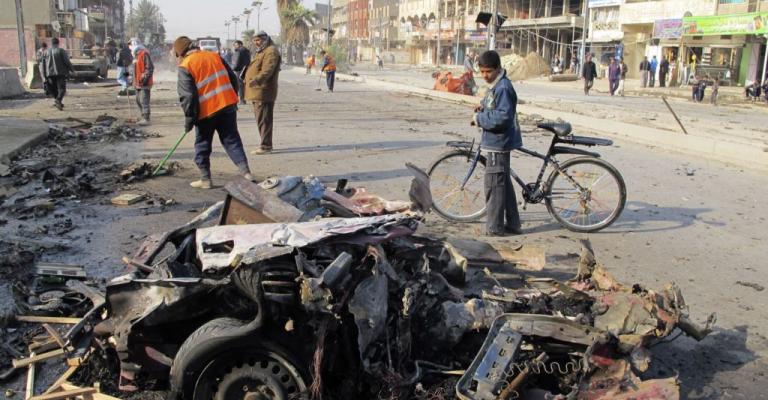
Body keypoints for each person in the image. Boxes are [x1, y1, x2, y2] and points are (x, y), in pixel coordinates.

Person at [174, 36, 253, 189]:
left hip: (207, 111)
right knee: (231, 139)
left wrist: (189, 119)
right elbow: (233, 79)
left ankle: (205, 179)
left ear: (181, 53)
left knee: (202, 143)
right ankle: (246, 172)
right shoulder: (214, 56)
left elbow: (188, 96)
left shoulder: (186, 65)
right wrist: (231, 97)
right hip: (228, 106)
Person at [469, 50, 522, 237]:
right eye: (482, 72)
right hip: (496, 142)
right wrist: (482, 106)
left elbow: (502, 117)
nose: (484, 76)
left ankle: (495, 227)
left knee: (494, 186)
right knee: (503, 185)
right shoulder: (496, 85)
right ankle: (514, 224)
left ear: (498, 68)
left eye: (488, 72)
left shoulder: (504, 87)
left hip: (498, 143)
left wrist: (480, 118)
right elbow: (492, 103)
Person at [245, 31, 281, 154]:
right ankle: (265, 144)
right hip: (257, 91)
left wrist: (257, 79)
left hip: (263, 91)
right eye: (254, 40)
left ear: (265, 39)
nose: (256, 43)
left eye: (258, 40)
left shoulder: (271, 51)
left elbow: (268, 69)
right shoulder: (263, 51)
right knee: (261, 119)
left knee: (264, 120)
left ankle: (265, 146)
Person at [39, 37, 74, 111]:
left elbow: (42, 65)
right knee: (62, 89)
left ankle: (58, 102)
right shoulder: (61, 51)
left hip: (50, 74)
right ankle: (58, 100)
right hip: (60, 73)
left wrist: (44, 76)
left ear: (51, 43)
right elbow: (67, 62)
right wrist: (72, 70)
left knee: (54, 90)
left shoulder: (45, 52)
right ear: (58, 43)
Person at [130, 38, 154, 126]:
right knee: (138, 100)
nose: (130, 47)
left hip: (144, 83)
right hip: (137, 83)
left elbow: (150, 68)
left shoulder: (144, 54)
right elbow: (135, 69)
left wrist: (144, 78)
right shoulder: (135, 56)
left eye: (131, 45)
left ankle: (146, 118)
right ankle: (143, 116)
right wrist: (129, 76)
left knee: (144, 101)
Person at [230, 40, 252, 105]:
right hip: (245, 68)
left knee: (239, 85)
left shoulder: (239, 51)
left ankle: (240, 100)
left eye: (235, 45)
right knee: (242, 85)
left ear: (239, 44)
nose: (234, 46)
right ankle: (242, 100)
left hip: (239, 70)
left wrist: (233, 68)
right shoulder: (246, 50)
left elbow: (236, 62)